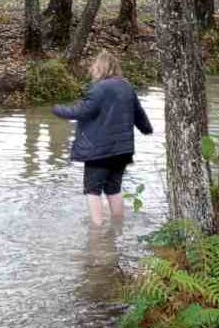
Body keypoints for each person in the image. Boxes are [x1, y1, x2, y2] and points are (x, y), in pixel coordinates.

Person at [52, 50, 153, 224]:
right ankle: (118, 226)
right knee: (114, 189)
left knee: (93, 190)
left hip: (99, 151)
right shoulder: (127, 86)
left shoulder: (99, 88)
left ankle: (96, 231)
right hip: (122, 151)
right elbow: (139, 114)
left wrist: (56, 109)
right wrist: (147, 129)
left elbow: (82, 111)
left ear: (100, 68)